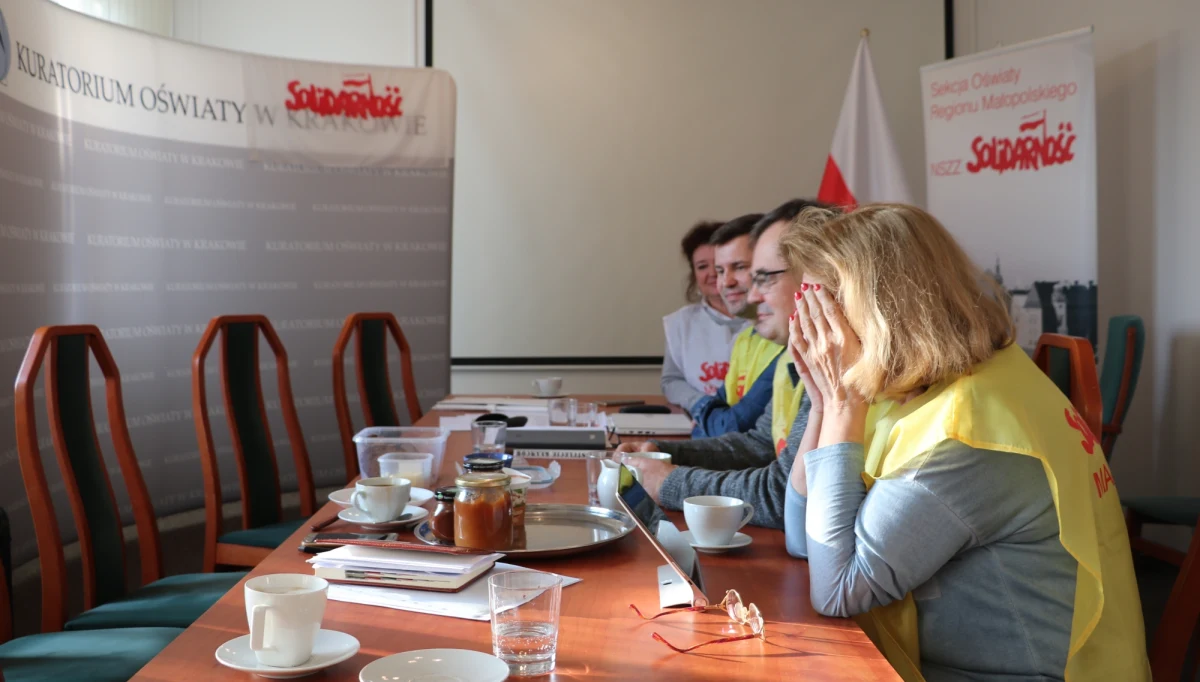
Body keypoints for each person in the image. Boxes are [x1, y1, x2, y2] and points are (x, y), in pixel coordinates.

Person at [781, 204, 1149, 682]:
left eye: (825, 309)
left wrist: (842, 403)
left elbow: (836, 589)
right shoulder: (923, 385)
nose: (815, 331)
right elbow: (801, 538)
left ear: (882, 310)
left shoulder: (967, 430)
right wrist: (823, 401)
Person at [618, 199, 828, 528]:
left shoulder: (841, 369)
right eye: (718, 270)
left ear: (820, 274)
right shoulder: (795, 352)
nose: (752, 294)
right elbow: (759, 444)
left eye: (764, 278)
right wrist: (661, 453)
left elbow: (784, 494)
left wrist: (669, 481)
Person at [689, 213, 784, 437]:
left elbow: (731, 427)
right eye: (720, 271)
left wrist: (702, 413)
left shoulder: (787, 339)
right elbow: (707, 434)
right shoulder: (746, 337)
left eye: (739, 267)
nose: (725, 282)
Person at [660, 221, 748, 411]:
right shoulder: (680, 323)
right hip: (701, 421)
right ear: (694, 275)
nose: (712, 274)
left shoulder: (765, 318)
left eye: (719, 265)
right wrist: (702, 405)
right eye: (702, 266)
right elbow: (671, 380)